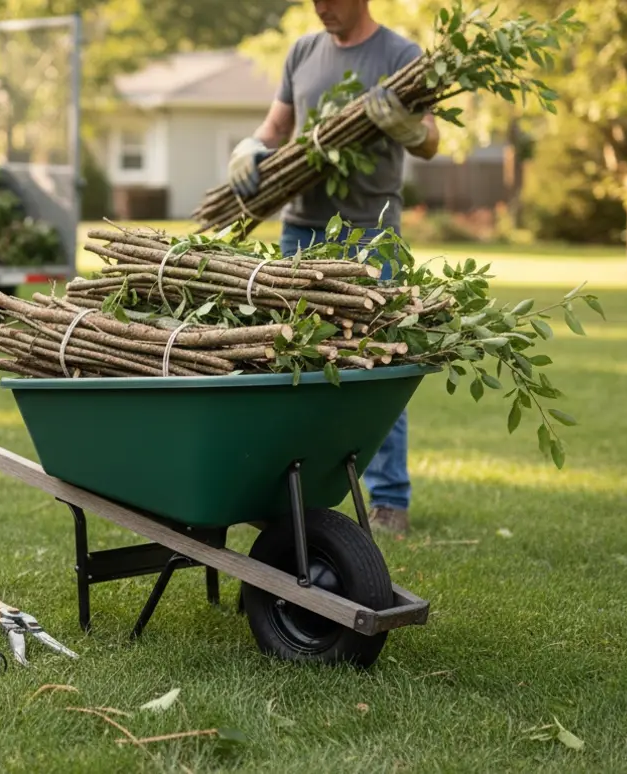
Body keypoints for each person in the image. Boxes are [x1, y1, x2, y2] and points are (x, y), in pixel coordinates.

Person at [225, 0, 441, 535]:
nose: (322, 8)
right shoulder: (303, 50)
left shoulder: (400, 54)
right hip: (302, 231)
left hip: (371, 232)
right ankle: (293, 496)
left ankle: (389, 501)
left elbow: (434, 139)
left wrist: (410, 128)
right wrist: (252, 146)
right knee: (289, 359)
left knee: (377, 365)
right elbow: (279, 125)